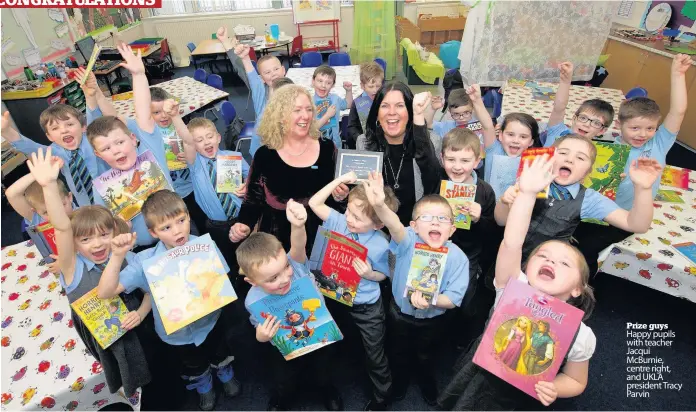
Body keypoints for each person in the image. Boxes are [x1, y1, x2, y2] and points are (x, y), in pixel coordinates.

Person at [438, 154, 597, 410]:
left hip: (519, 399)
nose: (551, 262)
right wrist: (528, 194)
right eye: (542, 256)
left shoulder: (582, 335)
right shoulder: (512, 289)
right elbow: (512, 242)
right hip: (478, 377)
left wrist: (555, 387)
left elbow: (576, 380)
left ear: (578, 288)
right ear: (526, 266)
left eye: (564, 263)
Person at [97, 190, 242, 411]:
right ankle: (204, 384)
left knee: (219, 349)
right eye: (166, 227)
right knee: (193, 362)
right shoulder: (146, 261)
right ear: (153, 232)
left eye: (181, 221)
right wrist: (117, 255)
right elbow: (106, 292)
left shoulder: (204, 245)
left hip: (210, 321)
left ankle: (224, 371)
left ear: (188, 217)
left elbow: (222, 280)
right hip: (177, 334)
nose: (177, 231)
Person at [26, 147, 152, 398]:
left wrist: (140, 313)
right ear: (74, 244)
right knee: (121, 368)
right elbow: (62, 227)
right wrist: (49, 185)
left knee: (151, 361)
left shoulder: (127, 256)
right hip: (105, 333)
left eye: (104, 235)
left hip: (137, 321)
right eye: (85, 239)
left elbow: (150, 291)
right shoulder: (71, 267)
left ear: (115, 233)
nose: (97, 244)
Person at [573, 53, 692, 276]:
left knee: (586, 250)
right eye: (635, 128)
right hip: (601, 212)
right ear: (619, 125)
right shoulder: (605, 149)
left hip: (629, 216)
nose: (642, 134)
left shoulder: (659, 143)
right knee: (570, 237)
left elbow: (678, 111)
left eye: (649, 128)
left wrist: (678, 74)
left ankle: (581, 287)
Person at [363, 172, 469, 405]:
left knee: (426, 355)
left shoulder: (458, 258)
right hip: (399, 314)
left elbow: (453, 299)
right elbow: (393, 225)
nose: (435, 222)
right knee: (397, 353)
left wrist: (433, 300)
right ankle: (399, 380)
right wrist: (379, 204)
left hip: (433, 320)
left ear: (452, 229)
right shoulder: (408, 240)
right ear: (413, 226)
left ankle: (425, 379)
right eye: (427, 217)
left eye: (442, 219)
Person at [238, 200, 343, 411]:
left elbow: (298, 245)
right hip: (286, 345)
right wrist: (262, 336)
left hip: (318, 334)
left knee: (323, 369)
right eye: (272, 278)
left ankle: (327, 389)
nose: (285, 279)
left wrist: (297, 225)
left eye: (284, 268)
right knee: (285, 378)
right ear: (252, 281)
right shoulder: (252, 300)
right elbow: (257, 328)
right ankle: (282, 397)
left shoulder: (295, 265)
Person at [308, 172, 399, 410]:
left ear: (378, 223)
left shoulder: (381, 242)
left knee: (375, 352)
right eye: (348, 211)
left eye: (357, 218)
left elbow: (385, 275)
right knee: (335, 341)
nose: (349, 219)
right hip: (333, 296)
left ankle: (383, 394)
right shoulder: (339, 221)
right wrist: (338, 182)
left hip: (366, 305)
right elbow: (314, 203)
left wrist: (370, 274)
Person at [494, 133, 661, 261]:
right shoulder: (529, 179)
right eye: (563, 153)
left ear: (587, 172)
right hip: (506, 256)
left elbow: (637, 224)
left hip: (546, 266)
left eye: (580, 158)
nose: (570, 159)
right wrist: (504, 201)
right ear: (549, 156)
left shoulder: (589, 199)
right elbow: (500, 221)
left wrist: (643, 189)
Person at [229, 85, 339, 253]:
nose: (305, 116)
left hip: (321, 234)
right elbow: (253, 198)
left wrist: (342, 195)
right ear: (280, 116)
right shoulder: (265, 155)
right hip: (278, 238)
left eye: (309, 109)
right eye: (297, 110)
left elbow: (337, 195)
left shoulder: (327, 148)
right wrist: (244, 223)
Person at [87, 43, 175, 248]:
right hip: (139, 249)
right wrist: (117, 227)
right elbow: (104, 227)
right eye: (107, 149)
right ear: (99, 155)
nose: (116, 150)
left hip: (177, 236)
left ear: (133, 139)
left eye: (119, 142)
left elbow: (143, 111)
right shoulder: (103, 186)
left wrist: (139, 75)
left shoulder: (149, 150)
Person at [174, 112, 249, 288]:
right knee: (226, 259)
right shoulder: (194, 164)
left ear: (218, 137)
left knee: (248, 255)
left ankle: (250, 281)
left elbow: (255, 179)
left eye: (209, 137)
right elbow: (186, 140)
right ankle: (233, 288)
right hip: (217, 225)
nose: (206, 142)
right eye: (199, 140)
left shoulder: (234, 157)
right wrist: (174, 116)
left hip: (241, 218)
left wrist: (247, 185)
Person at [1, 81, 105, 206]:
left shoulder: (90, 139)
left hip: (112, 192)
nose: (64, 130)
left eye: (70, 124)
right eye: (55, 128)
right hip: (86, 205)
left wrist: (90, 97)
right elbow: (31, 147)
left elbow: (95, 120)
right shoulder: (55, 152)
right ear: (49, 136)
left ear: (83, 127)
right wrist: (7, 132)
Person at [438, 128, 496, 346]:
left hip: (468, 255)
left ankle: (460, 337)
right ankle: (439, 332)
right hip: (437, 248)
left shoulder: (485, 191)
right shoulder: (437, 181)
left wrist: (481, 217)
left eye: (465, 160)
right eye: (451, 159)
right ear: (442, 158)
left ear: (477, 161)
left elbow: (492, 234)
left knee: (465, 297)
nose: (457, 166)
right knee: (435, 290)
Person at [356, 82, 442, 225]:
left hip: (416, 229)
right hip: (378, 228)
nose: (391, 112)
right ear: (376, 113)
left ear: (410, 111)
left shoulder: (431, 142)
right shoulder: (364, 143)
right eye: (384, 106)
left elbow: (433, 186)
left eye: (400, 105)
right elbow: (362, 192)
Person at [218, 26, 287, 157]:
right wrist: (227, 43)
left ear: (283, 70)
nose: (273, 74)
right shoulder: (261, 92)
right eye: (267, 72)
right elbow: (248, 71)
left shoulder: (291, 90)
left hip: (285, 147)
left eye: (276, 69)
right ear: (261, 78)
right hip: (264, 148)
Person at [6, 172, 73, 274]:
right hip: (54, 269)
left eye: (61, 205)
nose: (56, 214)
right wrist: (39, 171)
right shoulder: (36, 218)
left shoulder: (82, 213)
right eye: (46, 212)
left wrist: (66, 263)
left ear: (69, 197)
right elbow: (11, 194)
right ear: (35, 211)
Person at [543, 62, 615, 145]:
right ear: (574, 119)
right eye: (583, 118)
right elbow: (559, 107)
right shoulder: (558, 132)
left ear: (602, 131)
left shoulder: (599, 152)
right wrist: (565, 82)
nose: (587, 124)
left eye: (596, 123)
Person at [484, 112, 542, 198]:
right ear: (500, 135)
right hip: (490, 208)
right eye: (511, 134)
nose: (516, 140)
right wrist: (477, 100)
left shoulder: (535, 162)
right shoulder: (494, 150)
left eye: (523, 137)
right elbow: (486, 125)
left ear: (531, 142)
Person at [312, 64, 354, 148]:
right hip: (317, 146)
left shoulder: (335, 98)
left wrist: (348, 91)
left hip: (336, 144)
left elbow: (348, 104)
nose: (323, 85)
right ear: (313, 81)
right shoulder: (309, 102)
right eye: (320, 81)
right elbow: (312, 128)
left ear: (333, 85)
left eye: (328, 83)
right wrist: (327, 115)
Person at [346, 61, 385, 147]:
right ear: (362, 86)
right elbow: (351, 126)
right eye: (371, 87)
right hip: (365, 144)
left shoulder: (385, 100)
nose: (375, 90)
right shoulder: (357, 103)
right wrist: (359, 138)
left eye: (378, 86)